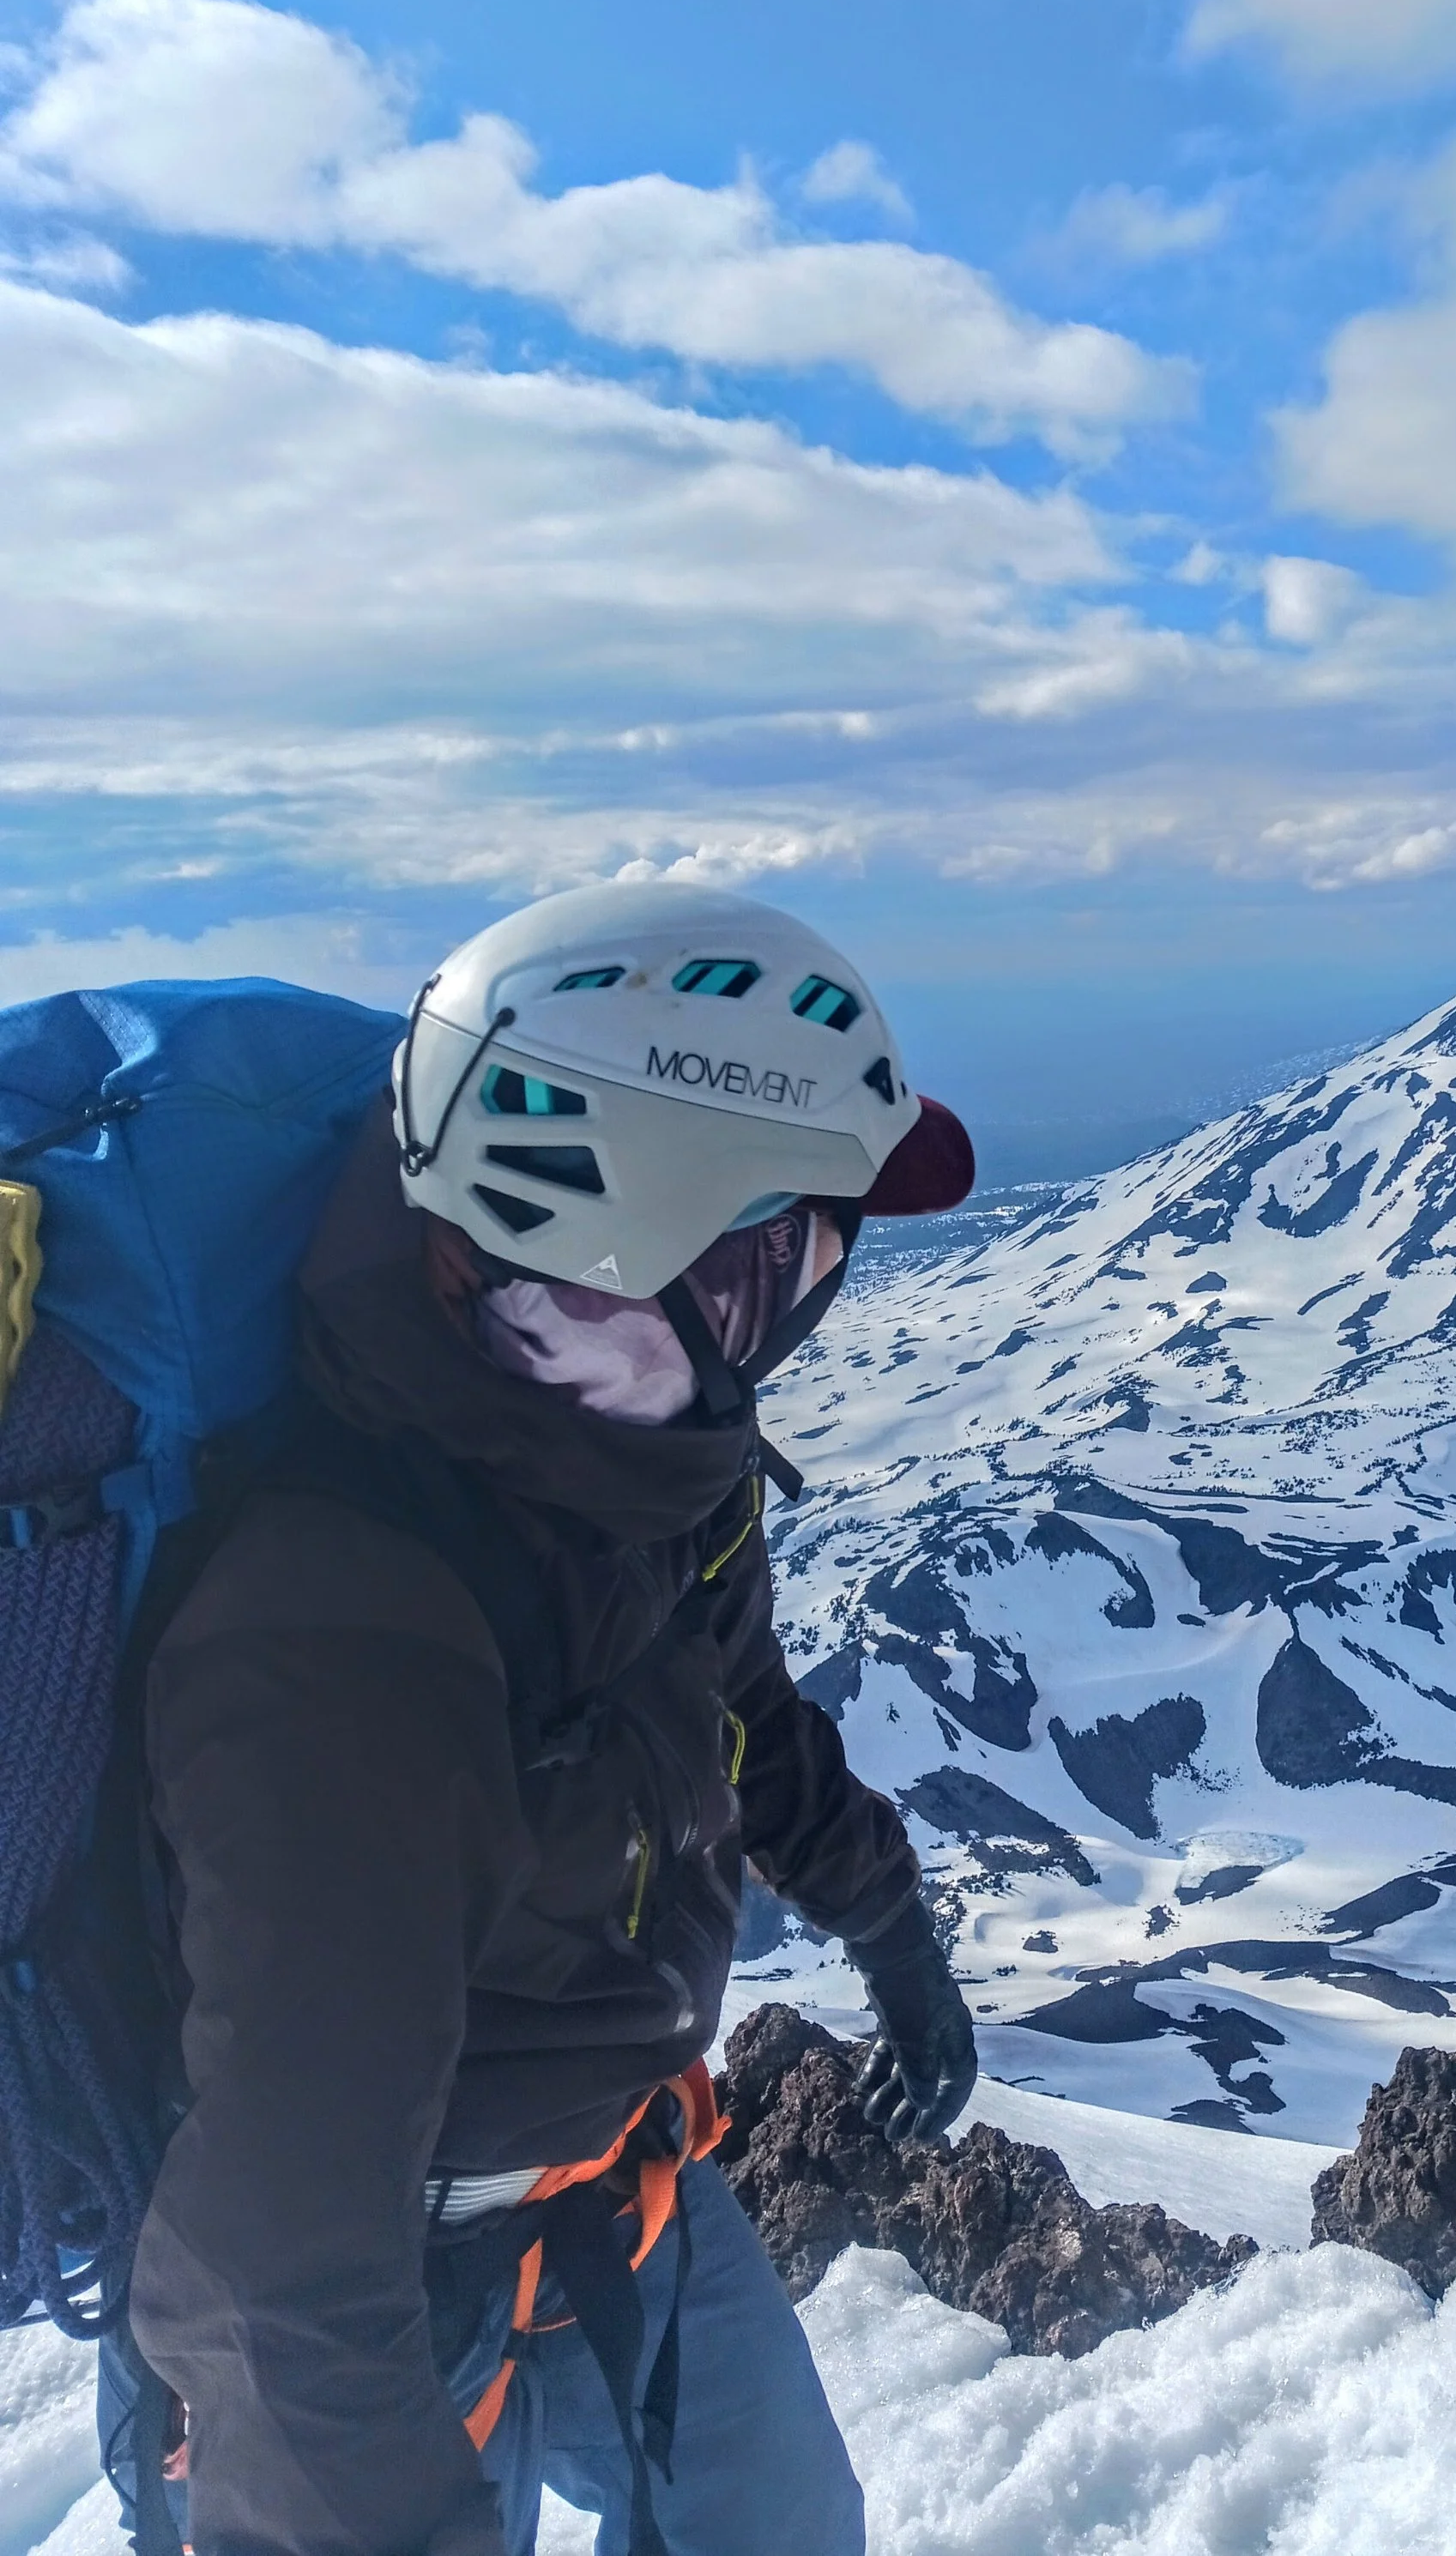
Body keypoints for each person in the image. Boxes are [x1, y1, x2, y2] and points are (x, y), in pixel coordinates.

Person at [98, 882, 980, 2556]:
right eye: (791, 1242)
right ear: (650, 1234)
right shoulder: (343, 1643)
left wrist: (892, 1933)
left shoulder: (641, 1474)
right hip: (375, 2315)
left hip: (625, 2176)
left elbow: (742, 1726)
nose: (812, 1292)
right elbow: (276, 2264)